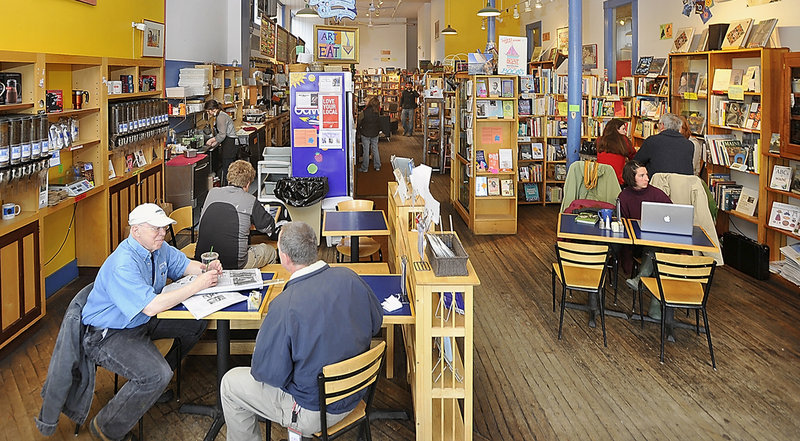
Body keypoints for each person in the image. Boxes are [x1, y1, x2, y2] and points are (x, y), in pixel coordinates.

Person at [220, 221, 383, 440]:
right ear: (314, 248)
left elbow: (266, 374)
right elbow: (375, 323)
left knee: (230, 384)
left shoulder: (284, 306)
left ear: (284, 257)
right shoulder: (350, 277)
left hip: (313, 411)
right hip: (356, 394)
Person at [82, 203, 221, 441]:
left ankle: (152, 387)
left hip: (140, 321)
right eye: (155, 229)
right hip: (109, 333)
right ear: (135, 231)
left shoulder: (159, 248)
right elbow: (152, 306)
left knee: (196, 324)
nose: (162, 233)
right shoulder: (123, 263)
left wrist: (206, 269)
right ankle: (106, 427)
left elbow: (185, 266)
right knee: (156, 374)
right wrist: (197, 285)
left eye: (164, 229)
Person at [195, 160, 277, 270]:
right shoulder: (250, 200)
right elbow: (268, 227)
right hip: (235, 264)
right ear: (248, 184)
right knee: (270, 251)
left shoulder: (212, 192)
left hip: (204, 260)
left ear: (229, 179)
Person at [618, 161, 672, 320]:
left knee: (657, 253)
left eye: (646, 174)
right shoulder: (624, 196)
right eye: (641, 175)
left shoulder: (657, 194)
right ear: (631, 177)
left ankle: (640, 278)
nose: (647, 178)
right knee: (657, 256)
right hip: (635, 245)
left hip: (659, 242)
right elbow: (623, 224)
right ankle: (655, 307)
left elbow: (672, 214)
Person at [633, 113, 694, 177]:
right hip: (682, 185)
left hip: (658, 184)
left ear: (662, 125)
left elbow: (636, 162)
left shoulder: (652, 141)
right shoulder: (689, 145)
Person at [205, 99, 238, 186]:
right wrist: (215, 143)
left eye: (208, 111)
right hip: (228, 143)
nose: (208, 113)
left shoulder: (221, 117)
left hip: (229, 144)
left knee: (227, 167)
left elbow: (222, 135)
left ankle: (229, 188)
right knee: (227, 167)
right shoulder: (220, 115)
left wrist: (212, 140)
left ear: (213, 109)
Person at [596, 118, 636, 186]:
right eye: (623, 129)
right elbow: (634, 156)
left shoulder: (599, 140)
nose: (625, 132)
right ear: (616, 129)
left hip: (600, 179)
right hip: (618, 181)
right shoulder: (624, 140)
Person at [357, 96, 382, 172]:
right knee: (375, 149)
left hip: (365, 133)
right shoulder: (377, 112)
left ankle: (365, 168)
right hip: (375, 133)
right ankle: (377, 166)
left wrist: (359, 130)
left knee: (366, 150)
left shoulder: (364, 112)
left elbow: (359, 121)